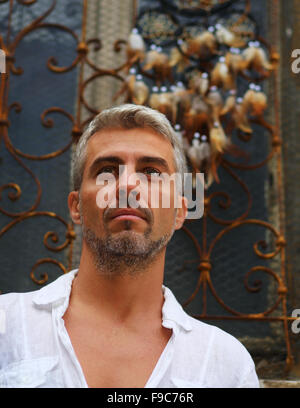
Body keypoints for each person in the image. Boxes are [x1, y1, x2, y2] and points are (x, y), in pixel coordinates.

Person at [0, 104, 259, 388]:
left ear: (180, 212)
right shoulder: (6, 327)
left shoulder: (226, 366)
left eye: (151, 172)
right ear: (75, 207)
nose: (127, 186)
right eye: (107, 171)